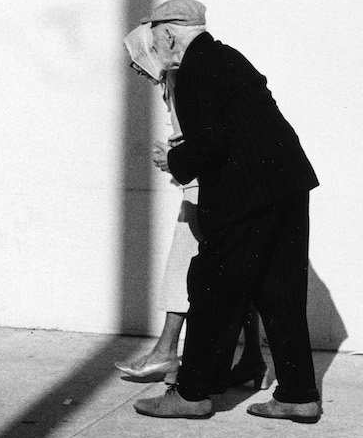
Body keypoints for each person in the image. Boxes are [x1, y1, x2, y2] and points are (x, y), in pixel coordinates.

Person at [130, 0, 323, 423]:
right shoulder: (227, 57)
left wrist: (174, 162)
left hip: (248, 194)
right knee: (280, 293)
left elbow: (212, 143)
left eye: (155, 37)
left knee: (212, 288)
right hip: (288, 184)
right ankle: (298, 394)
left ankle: (192, 394)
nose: (154, 46)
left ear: (169, 33)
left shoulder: (196, 69)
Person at [115, 24, 268, 388]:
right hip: (204, 184)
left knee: (183, 267)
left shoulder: (182, 82)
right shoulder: (176, 84)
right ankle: (253, 360)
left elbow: (201, 139)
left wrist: (171, 157)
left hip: (203, 187)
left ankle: (166, 351)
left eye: (139, 58)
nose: (136, 68)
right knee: (232, 271)